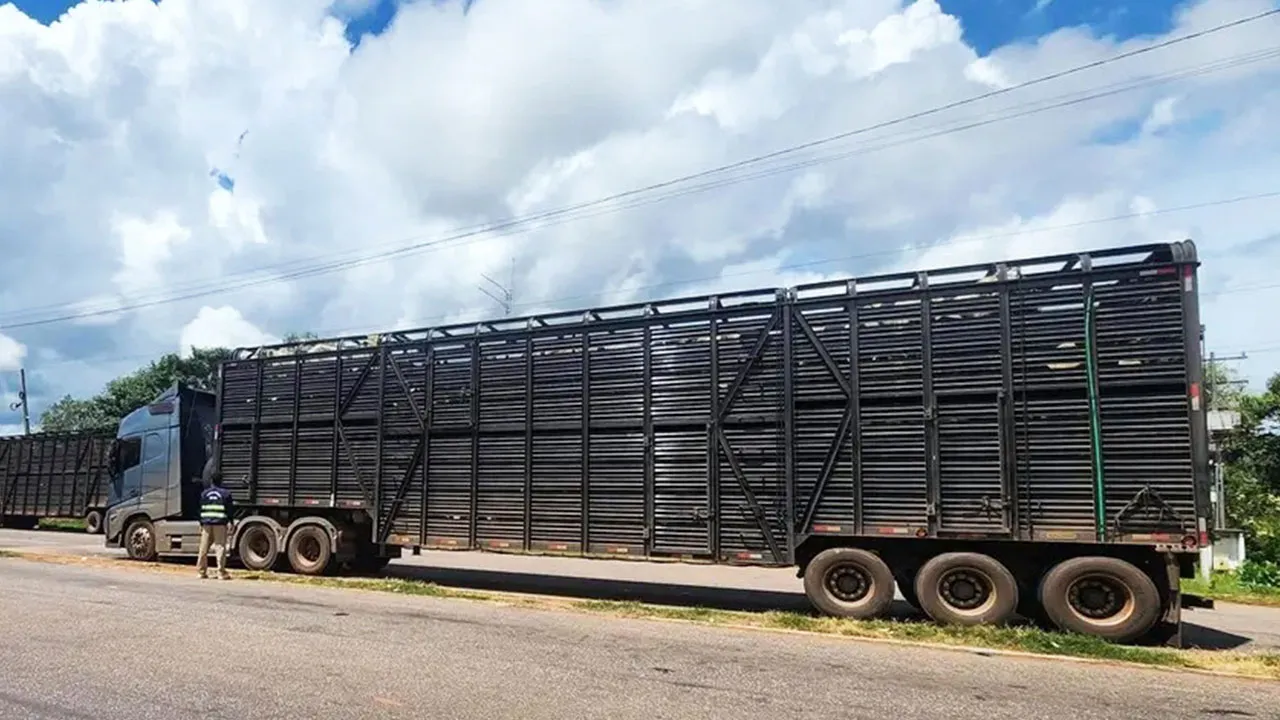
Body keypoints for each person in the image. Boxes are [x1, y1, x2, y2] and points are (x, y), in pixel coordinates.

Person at [196, 470, 235, 580]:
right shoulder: (226, 494)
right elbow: (229, 510)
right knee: (220, 547)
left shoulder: (204, 493)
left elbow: (200, 509)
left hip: (206, 524)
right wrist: (231, 522)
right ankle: (221, 572)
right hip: (220, 523)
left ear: (211, 481)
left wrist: (201, 522)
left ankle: (201, 572)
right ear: (221, 481)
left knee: (203, 548)